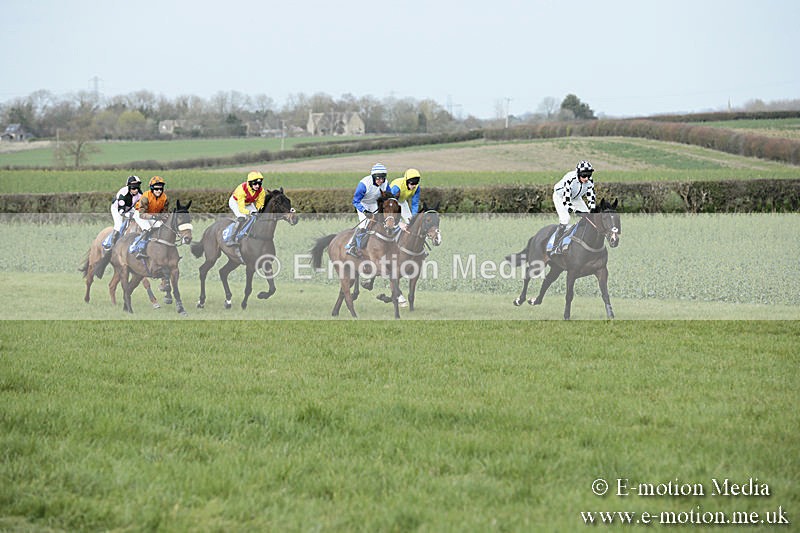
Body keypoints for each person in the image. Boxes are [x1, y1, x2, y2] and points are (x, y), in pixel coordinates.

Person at [551, 160, 597, 254]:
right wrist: (574, 210)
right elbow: (566, 199)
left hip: (576, 198)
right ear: (578, 173)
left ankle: (581, 240)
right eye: (584, 175)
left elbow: (591, 196)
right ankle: (555, 246)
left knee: (588, 217)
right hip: (561, 196)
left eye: (588, 175)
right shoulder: (570, 178)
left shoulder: (589, 181)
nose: (586, 178)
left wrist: (592, 208)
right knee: (565, 219)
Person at [346, 163, 389, 257]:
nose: (381, 181)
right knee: (363, 225)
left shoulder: (385, 183)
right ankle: (352, 246)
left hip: (374, 203)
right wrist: (365, 211)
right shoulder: (364, 184)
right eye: (378, 178)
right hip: (363, 203)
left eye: (383, 178)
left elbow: (389, 196)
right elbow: (355, 201)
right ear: (373, 177)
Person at [130, 176, 170, 259]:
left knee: (160, 227)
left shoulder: (165, 198)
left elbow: (164, 212)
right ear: (152, 188)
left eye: (161, 189)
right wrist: (154, 217)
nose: (159, 191)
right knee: (147, 228)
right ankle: (139, 248)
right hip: (140, 214)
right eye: (156, 189)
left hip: (154, 216)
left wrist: (164, 216)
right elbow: (142, 214)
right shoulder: (146, 196)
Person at [102, 175, 143, 252]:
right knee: (118, 225)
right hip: (117, 209)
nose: (136, 190)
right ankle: (109, 243)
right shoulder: (122, 193)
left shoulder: (140, 194)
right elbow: (121, 211)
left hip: (129, 208)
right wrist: (128, 215)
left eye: (137, 187)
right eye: (133, 188)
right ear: (129, 187)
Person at [227, 171, 266, 247]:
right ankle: (231, 238)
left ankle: (251, 233)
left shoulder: (261, 191)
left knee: (257, 216)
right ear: (250, 183)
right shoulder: (242, 189)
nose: (257, 186)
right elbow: (241, 208)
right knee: (242, 217)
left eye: (259, 184)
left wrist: (258, 210)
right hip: (235, 202)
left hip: (248, 203)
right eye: (255, 184)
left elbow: (260, 203)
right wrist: (250, 212)